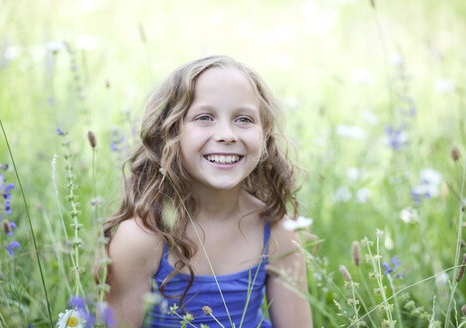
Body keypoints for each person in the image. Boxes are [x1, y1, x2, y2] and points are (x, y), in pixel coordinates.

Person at [104, 55, 313, 327]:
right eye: (204, 117)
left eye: (244, 119)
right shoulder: (141, 239)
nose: (227, 135)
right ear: (170, 131)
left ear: (265, 134)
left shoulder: (278, 233)